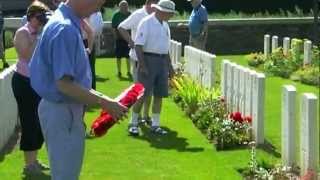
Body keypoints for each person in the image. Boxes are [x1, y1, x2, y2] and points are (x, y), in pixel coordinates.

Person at [29, 0, 127, 179]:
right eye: (98, 2)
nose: (99, 8)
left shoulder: (65, 22)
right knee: (65, 175)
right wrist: (105, 102)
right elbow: (64, 84)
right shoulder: (65, 28)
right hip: (62, 109)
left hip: (62, 109)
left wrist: (106, 101)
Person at [11, 1, 50, 175]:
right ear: (31, 17)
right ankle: (29, 165)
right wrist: (39, 36)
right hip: (24, 82)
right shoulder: (23, 32)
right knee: (29, 121)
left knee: (39, 121)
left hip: (38, 83)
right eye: (39, 17)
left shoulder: (42, 32)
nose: (42, 21)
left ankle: (34, 160)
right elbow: (26, 55)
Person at [132, 0, 175, 135]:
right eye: (170, 14)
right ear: (161, 11)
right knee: (142, 95)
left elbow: (165, 49)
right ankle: (133, 123)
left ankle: (155, 125)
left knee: (159, 95)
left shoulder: (165, 25)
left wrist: (170, 67)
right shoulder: (146, 23)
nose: (171, 16)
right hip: (148, 60)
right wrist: (143, 65)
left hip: (162, 62)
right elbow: (138, 45)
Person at [118, 0, 159, 135]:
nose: (156, 7)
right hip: (138, 57)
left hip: (151, 59)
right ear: (148, 3)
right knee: (140, 90)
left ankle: (145, 115)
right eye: (155, 4)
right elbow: (121, 27)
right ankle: (135, 120)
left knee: (150, 90)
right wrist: (131, 41)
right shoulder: (138, 15)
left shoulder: (156, 16)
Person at [111, 0, 131, 78]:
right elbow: (113, 27)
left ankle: (129, 71)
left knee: (128, 56)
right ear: (119, 7)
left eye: (125, 6)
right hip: (119, 39)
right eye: (122, 6)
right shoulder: (116, 15)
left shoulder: (130, 15)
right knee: (118, 56)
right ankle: (119, 71)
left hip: (128, 39)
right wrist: (115, 36)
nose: (124, 7)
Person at [86, 11, 104, 89]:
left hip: (89, 40)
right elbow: (99, 30)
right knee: (90, 68)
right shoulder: (85, 11)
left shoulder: (97, 14)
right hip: (87, 40)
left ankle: (91, 89)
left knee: (90, 68)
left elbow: (99, 30)